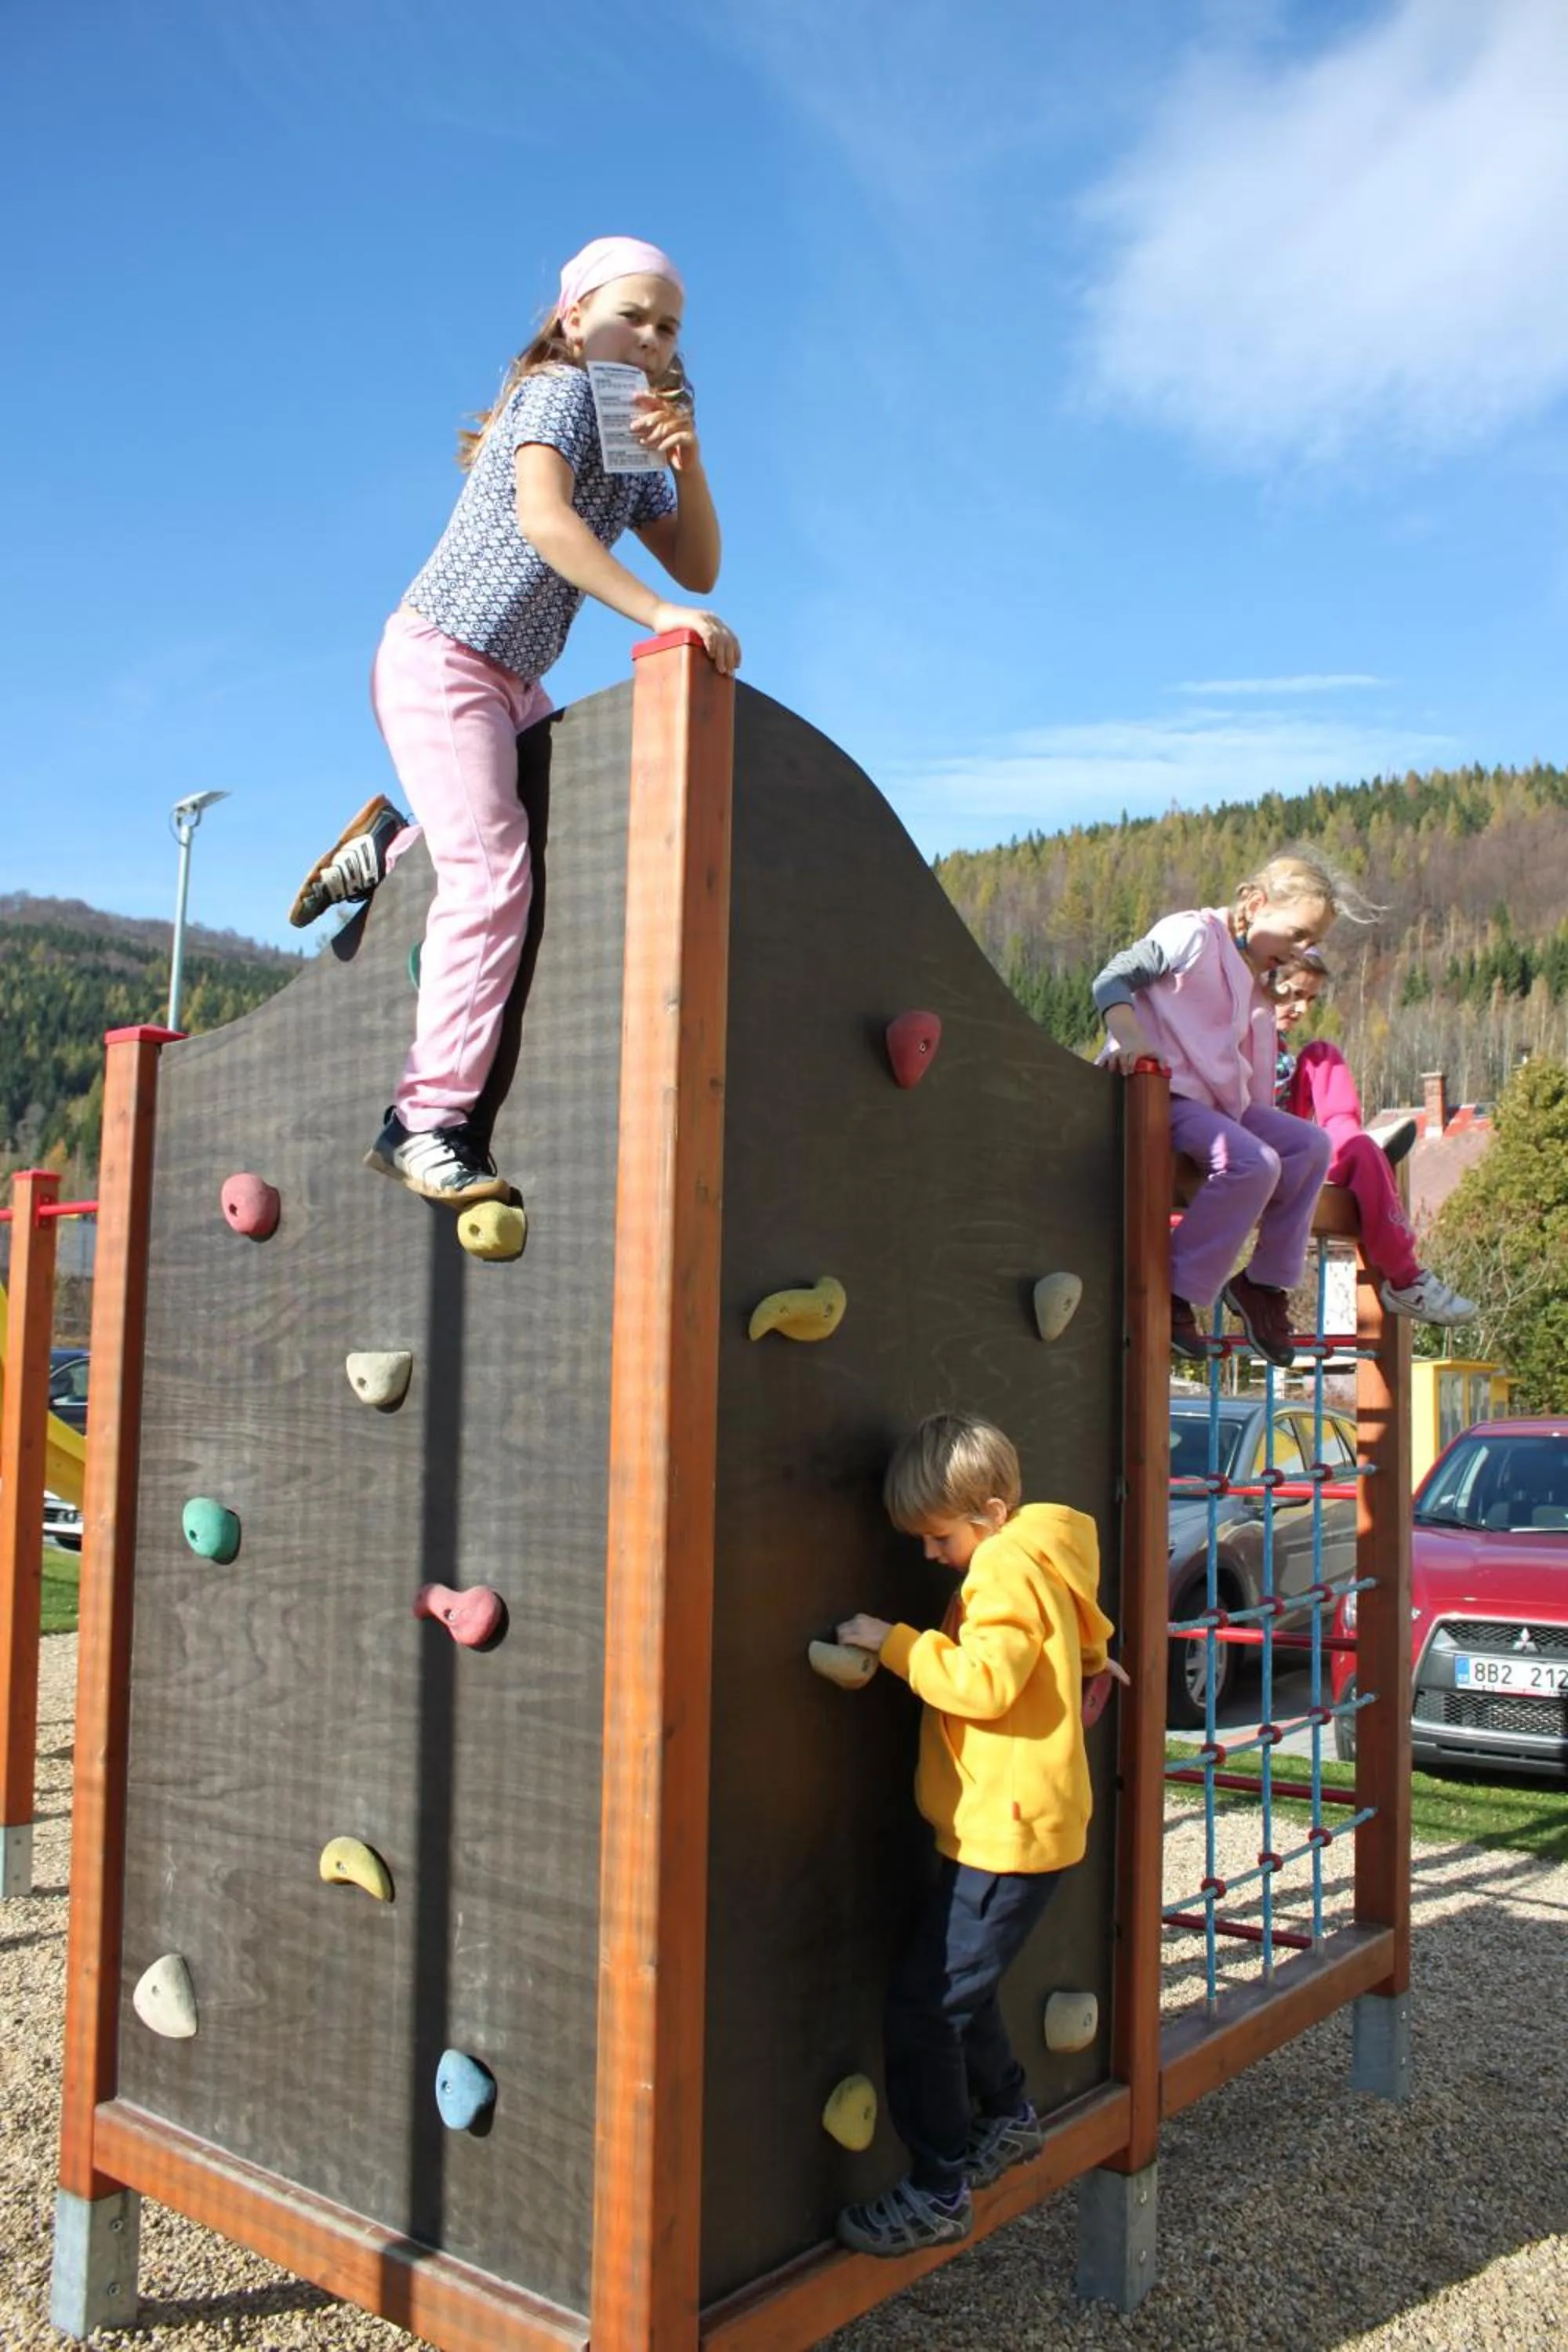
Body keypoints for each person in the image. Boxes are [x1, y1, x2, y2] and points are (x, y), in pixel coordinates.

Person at [289, 236, 741, 1205]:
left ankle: (388, 843)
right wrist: (658, 617)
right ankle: (425, 1120)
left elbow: (697, 567)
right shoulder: (557, 392)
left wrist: (689, 468)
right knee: (494, 875)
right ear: (574, 319)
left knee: (533, 829)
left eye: (669, 328)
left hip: (510, 681)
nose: (654, 339)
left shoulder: (627, 436)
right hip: (444, 654)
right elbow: (546, 520)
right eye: (634, 315)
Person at [831, 1412, 1123, 2257]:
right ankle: (1006, 2115)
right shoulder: (1041, 1552)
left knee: (922, 2009)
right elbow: (1090, 1628)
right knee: (958, 1984)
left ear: (989, 1511)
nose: (930, 1554)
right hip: (1012, 1822)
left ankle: (937, 2188)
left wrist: (889, 1642)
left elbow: (982, 1683)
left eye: (937, 1537)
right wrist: (1096, 1664)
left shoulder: (999, 1570)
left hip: (1007, 1833)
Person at [1092, 848, 1356, 1368]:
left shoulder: (1252, 977)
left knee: (1309, 1145)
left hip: (1216, 1104)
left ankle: (1262, 1284)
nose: (1303, 949)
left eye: (1314, 943)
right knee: (1252, 1161)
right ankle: (1171, 1287)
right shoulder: (1193, 934)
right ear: (1256, 904)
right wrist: (1129, 1039)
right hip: (1160, 1093)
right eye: (1298, 934)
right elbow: (1113, 978)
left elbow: (1246, 1068)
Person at [1271, 951, 1475, 1325]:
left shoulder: (1281, 1047)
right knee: (1366, 1158)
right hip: (1258, 1146)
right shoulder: (1238, 1034)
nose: (1300, 1008)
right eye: (1292, 994)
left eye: (1310, 1000)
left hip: (1291, 1139)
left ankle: (1348, 1139)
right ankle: (1406, 1280)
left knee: (1321, 1055)